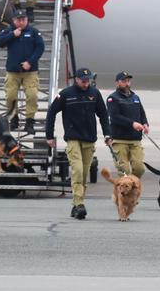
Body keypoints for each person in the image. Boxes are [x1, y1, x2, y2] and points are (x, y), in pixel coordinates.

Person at [45, 68, 112, 220]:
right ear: (76, 79)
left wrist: (108, 134)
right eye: (83, 80)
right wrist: (49, 135)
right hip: (73, 139)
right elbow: (51, 112)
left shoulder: (95, 93)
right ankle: (80, 204)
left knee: (83, 175)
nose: (86, 82)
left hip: (89, 139)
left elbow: (103, 114)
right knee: (77, 170)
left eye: (88, 80)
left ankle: (76, 205)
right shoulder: (66, 94)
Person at [0, 8, 44, 134]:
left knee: (32, 95)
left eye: (23, 20)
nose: (21, 22)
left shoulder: (33, 32)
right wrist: (12, 35)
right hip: (13, 72)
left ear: (27, 20)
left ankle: (29, 122)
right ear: (14, 20)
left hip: (30, 72)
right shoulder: (9, 30)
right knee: (10, 96)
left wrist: (30, 62)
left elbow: (40, 48)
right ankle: (14, 119)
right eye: (18, 20)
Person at [106, 71, 149, 178]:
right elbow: (115, 117)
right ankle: (124, 192)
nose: (127, 83)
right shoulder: (113, 98)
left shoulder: (135, 97)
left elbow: (141, 113)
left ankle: (130, 185)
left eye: (128, 81)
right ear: (117, 83)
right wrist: (132, 123)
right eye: (124, 81)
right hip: (120, 139)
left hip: (135, 139)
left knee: (139, 168)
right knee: (124, 170)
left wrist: (145, 123)